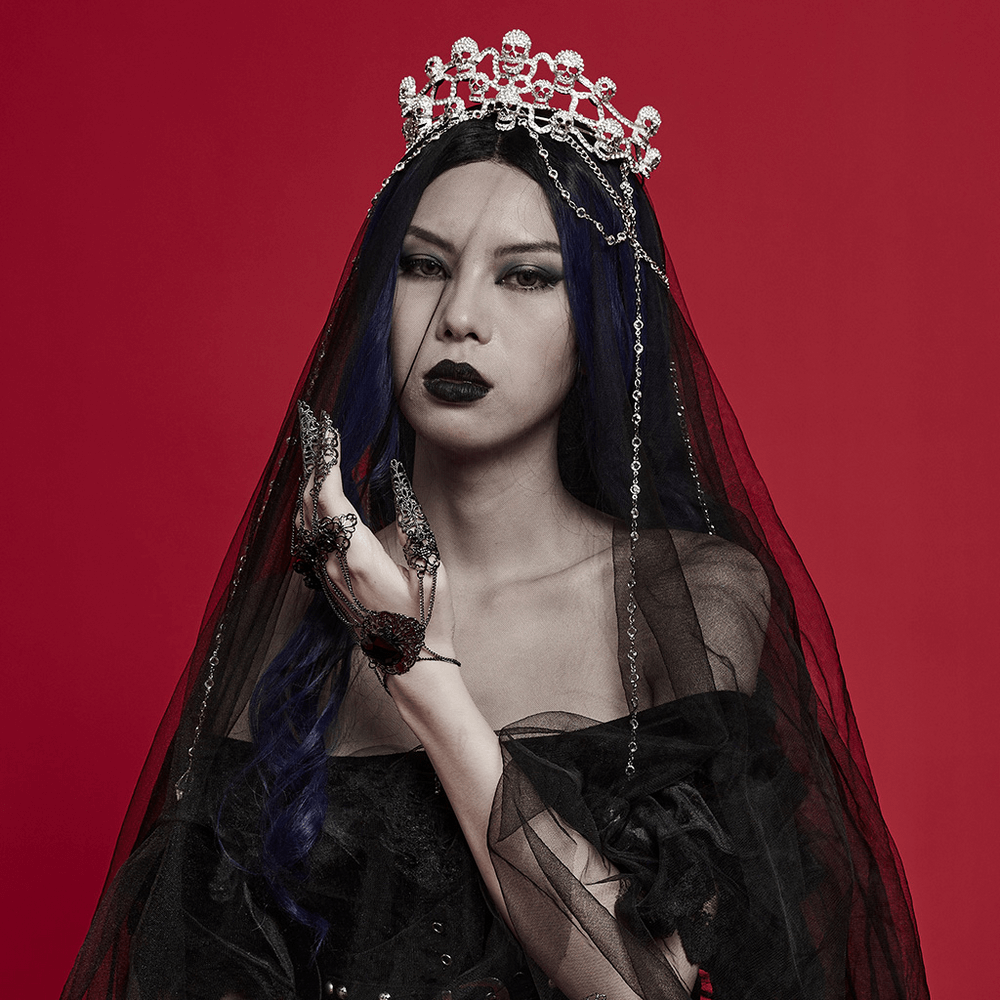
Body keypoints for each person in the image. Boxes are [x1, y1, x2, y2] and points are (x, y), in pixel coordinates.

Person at [62, 30, 929, 1000]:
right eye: (424, 266)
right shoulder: (275, 624)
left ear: (596, 320)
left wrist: (419, 672)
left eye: (525, 275)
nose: (459, 317)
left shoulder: (683, 597)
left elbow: (646, 985)